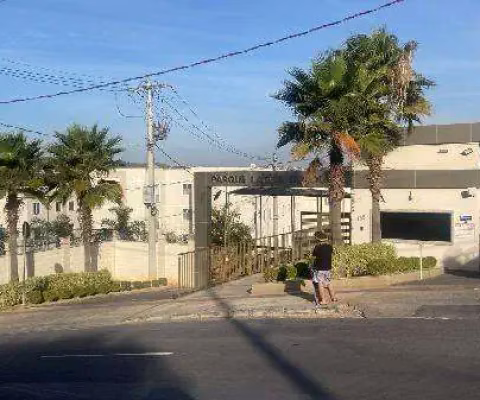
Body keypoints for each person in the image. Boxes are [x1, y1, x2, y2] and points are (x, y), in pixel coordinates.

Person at [311, 231, 337, 306]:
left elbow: (314, 255)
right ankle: (333, 297)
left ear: (317, 239)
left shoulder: (317, 247)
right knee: (328, 283)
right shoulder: (329, 246)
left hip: (320, 269)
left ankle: (323, 300)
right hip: (328, 268)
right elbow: (331, 253)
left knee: (320, 283)